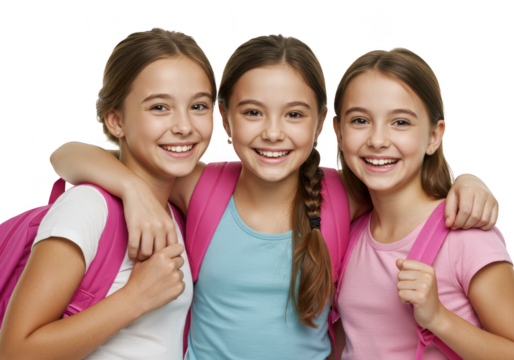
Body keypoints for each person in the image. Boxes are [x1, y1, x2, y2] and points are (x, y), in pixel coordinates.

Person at [46, 36, 499, 359]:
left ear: (323, 122)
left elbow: (407, 190)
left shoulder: (343, 195)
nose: (273, 133)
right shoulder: (200, 184)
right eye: (252, 112)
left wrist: (467, 181)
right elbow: (65, 154)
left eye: (295, 114)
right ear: (225, 120)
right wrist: (133, 190)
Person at [0, 27, 217, 360]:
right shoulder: (87, 208)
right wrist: (136, 297)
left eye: (198, 106)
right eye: (159, 107)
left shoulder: (177, 212)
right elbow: (16, 351)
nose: (184, 126)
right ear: (116, 121)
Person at [331, 47, 514, 359]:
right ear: (338, 132)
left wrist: (438, 318)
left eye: (400, 122)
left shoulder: (466, 235)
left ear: (434, 135)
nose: (377, 140)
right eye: (360, 120)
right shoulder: (349, 232)